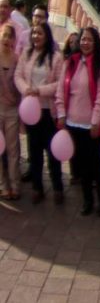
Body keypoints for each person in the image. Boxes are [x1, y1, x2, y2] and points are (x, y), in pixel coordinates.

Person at [55, 27, 100, 216]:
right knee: (81, 165)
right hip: (72, 122)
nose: (85, 43)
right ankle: (87, 199)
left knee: (96, 164)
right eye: (83, 39)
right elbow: (60, 91)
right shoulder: (70, 63)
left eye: (89, 40)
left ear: (95, 43)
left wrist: (96, 122)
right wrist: (61, 114)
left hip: (92, 125)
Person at [14, 23, 65, 204]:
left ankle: (58, 187)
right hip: (30, 111)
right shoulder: (26, 55)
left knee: (53, 152)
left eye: (40, 33)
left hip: (48, 111)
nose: (36, 36)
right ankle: (37, 187)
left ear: (47, 36)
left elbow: (60, 83)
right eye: (34, 33)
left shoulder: (56, 57)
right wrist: (26, 89)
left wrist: (39, 90)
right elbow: (18, 75)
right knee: (34, 150)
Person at [0, 24, 21, 200]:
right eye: (4, 36)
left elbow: (20, 84)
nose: (7, 39)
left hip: (13, 108)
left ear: (14, 40)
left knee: (13, 149)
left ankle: (14, 184)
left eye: (10, 37)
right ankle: (2, 185)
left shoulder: (17, 60)